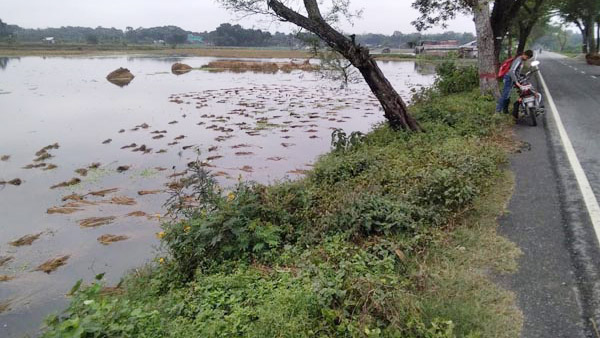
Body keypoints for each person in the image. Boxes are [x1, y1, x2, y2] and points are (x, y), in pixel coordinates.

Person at [496, 50, 534, 114]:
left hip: (511, 78)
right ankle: (497, 111)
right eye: (527, 57)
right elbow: (512, 71)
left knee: (508, 95)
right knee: (505, 95)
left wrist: (521, 76)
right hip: (509, 78)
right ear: (524, 54)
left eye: (528, 58)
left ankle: (505, 111)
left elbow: (516, 71)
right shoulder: (518, 59)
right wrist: (516, 82)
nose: (527, 59)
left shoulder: (521, 60)